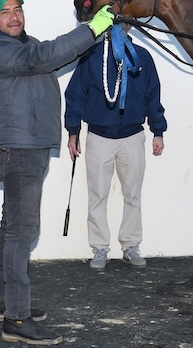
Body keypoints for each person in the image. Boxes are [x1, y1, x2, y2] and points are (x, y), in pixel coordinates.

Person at [0, 0, 112, 345]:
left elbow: (53, 55)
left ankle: (3, 302)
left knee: (12, 226)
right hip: (18, 147)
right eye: (5, 11)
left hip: (28, 143)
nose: (14, 15)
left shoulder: (24, 44)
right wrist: (91, 30)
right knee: (23, 231)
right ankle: (17, 319)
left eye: (18, 8)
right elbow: (44, 55)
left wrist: (92, 33)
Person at [64, 21, 167, 270]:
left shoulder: (141, 57)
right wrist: (73, 131)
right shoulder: (92, 57)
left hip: (132, 136)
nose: (120, 27)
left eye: (124, 22)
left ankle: (131, 245)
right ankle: (100, 248)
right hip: (100, 136)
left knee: (133, 195)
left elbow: (152, 95)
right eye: (115, 22)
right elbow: (75, 95)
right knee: (97, 195)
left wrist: (158, 130)